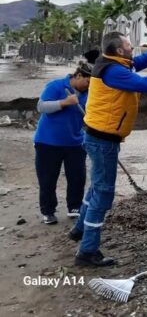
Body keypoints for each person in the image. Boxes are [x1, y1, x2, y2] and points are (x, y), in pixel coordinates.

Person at [70, 32, 147, 267]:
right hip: (103, 141)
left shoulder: (114, 63)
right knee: (103, 194)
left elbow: (140, 62)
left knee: (96, 187)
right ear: (120, 51)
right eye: (129, 46)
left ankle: (79, 230)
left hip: (97, 137)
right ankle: (87, 251)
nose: (133, 49)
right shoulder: (113, 72)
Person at [34, 62, 92, 224]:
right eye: (87, 82)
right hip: (48, 142)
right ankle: (48, 211)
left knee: (77, 177)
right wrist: (64, 102)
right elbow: (41, 106)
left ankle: (74, 207)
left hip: (75, 143)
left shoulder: (89, 93)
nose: (88, 86)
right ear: (79, 75)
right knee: (47, 179)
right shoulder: (56, 86)